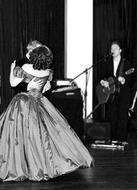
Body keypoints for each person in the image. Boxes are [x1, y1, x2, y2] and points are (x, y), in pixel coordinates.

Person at [0, 45, 93, 182]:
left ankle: (21, 166)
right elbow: (45, 88)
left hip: (25, 102)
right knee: (41, 136)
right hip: (39, 101)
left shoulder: (26, 68)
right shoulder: (47, 72)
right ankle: (37, 165)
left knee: (18, 135)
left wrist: (11, 68)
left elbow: (13, 83)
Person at [99, 40, 133, 144]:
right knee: (112, 115)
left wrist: (124, 80)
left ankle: (122, 139)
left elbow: (131, 77)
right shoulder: (107, 63)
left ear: (120, 50)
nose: (113, 50)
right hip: (111, 93)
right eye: (111, 48)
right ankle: (113, 137)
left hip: (123, 92)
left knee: (122, 115)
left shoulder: (126, 63)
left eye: (115, 48)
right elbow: (102, 76)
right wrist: (103, 82)